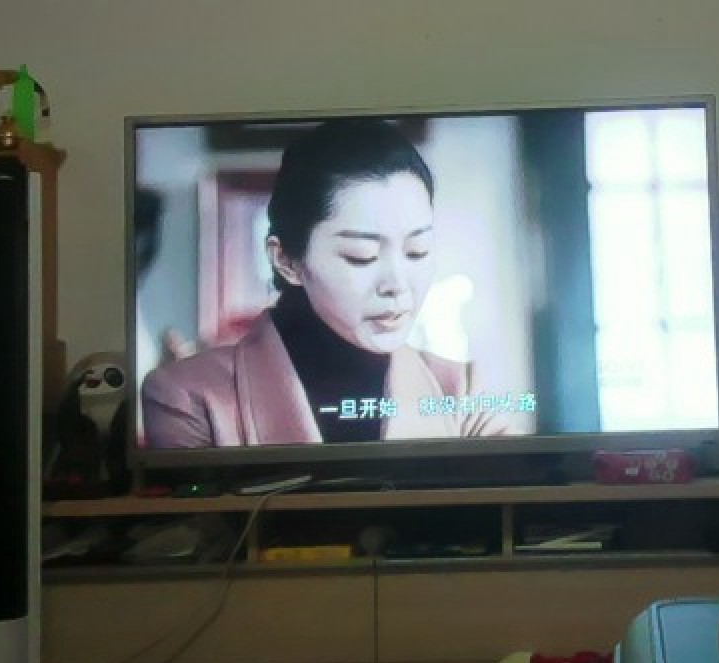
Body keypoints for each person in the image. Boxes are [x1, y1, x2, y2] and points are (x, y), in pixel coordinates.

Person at [142, 119, 509, 448]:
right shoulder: (187, 395)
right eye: (362, 256)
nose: (398, 285)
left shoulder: (463, 391)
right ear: (287, 261)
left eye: (417, 251)